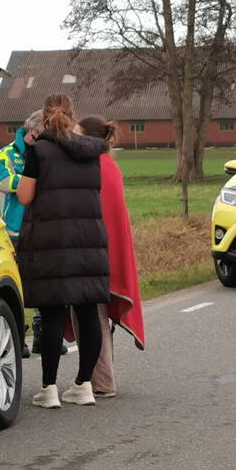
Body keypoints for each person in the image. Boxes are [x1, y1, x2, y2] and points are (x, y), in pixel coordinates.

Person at [16, 93, 109, 408]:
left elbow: (25, 196)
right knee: (87, 310)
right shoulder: (92, 152)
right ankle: (84, 386)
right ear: (72, 115)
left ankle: (49, 389)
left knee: (53, 311)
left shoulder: (39, 151)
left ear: (44, 117)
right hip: (88, 238)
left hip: (50, 240)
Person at [75, 115, 146, 397]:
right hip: (100, 252)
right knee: (93, 316)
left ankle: (102, 380)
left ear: (89, 139)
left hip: (95, 254)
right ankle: (98, 376)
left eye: (77, 135)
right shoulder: (107, 165)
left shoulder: (96, 167)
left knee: (91, 316)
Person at [0, 110, 66, 359]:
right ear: (29, 130)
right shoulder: (7, 153)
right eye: (38, 134)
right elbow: (3, 181)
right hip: (14, 229)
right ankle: (19, 335)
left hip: (41, 225)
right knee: (18, 283)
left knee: (42, 281)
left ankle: (41, 333)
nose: (40, 138)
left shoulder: (46, 150)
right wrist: (31, 181)